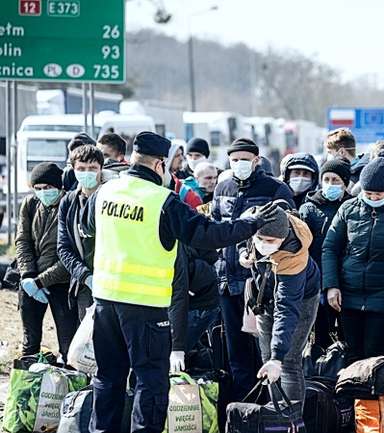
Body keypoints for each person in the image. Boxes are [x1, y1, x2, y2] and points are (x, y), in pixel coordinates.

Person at [82, 131, 282, 433]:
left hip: (105, 301)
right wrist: (250, 224)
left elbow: (87, 229)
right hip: (145, 307)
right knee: (150, 382)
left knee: (108, 377)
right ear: (160, 165)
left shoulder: (105, 192)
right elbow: (208, 234)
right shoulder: (162, 201)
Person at [212, 137, 294, 401]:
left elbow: (287, 231)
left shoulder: (274, 189)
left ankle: (269, 405)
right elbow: (214, 228)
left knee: (263, 347)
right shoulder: (222, 187)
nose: (239, 165)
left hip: (260, 283)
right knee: (235, 350)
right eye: (234, 160)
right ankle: (242, 407)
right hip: (227, 279)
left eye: (245, 160)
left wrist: (256, 254)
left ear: (256, 160)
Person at [322, 157, 384, 362]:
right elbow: (330, 248)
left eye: (378, 194)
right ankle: (351, 395)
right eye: (368, 194)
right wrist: (331, 285)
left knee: (374, 352)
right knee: (352, 354)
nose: (373, 198)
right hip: (349, 295)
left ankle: (376, 395)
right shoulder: (348, 209)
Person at [240, 206, 321, 405]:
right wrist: (243, 251)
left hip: (300, 301)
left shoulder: (295, 255)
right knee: (266, 359)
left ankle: (291, 421)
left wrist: (277, 357)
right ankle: (275, 417)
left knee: (287, 362)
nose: (263, 245)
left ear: (282, 238)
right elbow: (240, 234)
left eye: (270, 242)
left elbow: (287, 308)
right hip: (264, 297)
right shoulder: (254, 220)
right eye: (259, 239)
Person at [17, 162, 78, 361]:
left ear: (59, 187)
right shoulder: (30, 204)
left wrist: (40, 282)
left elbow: (68, 256)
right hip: (31, 281)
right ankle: (28, 382)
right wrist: (27, 275)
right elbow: (23, 240)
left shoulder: (69, 206)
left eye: (48, 188)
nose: (43, 193)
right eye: (39, 189)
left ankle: (68, 385)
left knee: (68, 344)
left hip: (60, 284)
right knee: (30, 342)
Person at [299, 159, 353, 353]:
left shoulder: (352, 206)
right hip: (317, 279)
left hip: (347, 278)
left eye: (336, 180)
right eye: (326, 179)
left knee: (347, 335)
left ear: (345, 183)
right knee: (321, 336)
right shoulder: (309, 208)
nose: (330, 184)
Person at [57, 145, 104, 320]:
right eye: (81, 169)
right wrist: (85, 276)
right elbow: (63, 248)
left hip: (113, 281)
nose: (87, 173)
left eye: (92, 168)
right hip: (85, 283)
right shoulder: (69, 202)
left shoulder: (111, 197)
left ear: (101, 168)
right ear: (73, 170)